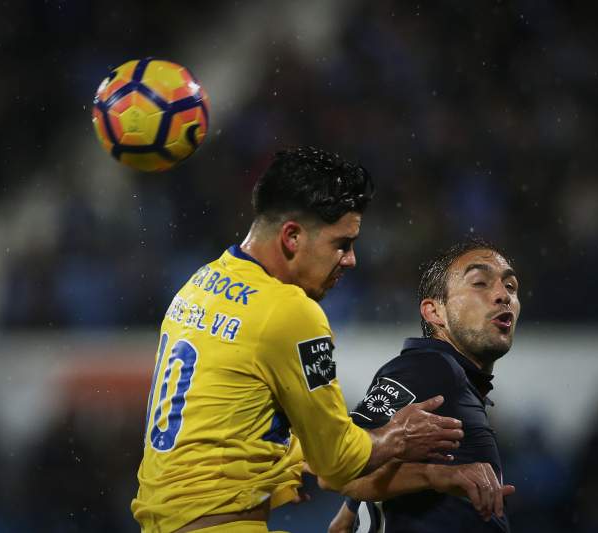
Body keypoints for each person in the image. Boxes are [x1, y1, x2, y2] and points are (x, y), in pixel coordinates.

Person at [131, 147, 466, 533]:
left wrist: (282, 462)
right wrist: (398, 437)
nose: (351, 259)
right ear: (292, 236)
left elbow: (216, 417)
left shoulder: (198, 285)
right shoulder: (290, 312)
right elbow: (337, 460)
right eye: (341, 244)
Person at [326, 238, 520, 533]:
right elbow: (335, 466)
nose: (503, 295)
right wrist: (436, 475)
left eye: (511, 287)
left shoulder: (451, 380)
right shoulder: (430, 368)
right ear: (434, 312)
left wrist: (352, 507)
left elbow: (366, 459)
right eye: (480, 283)